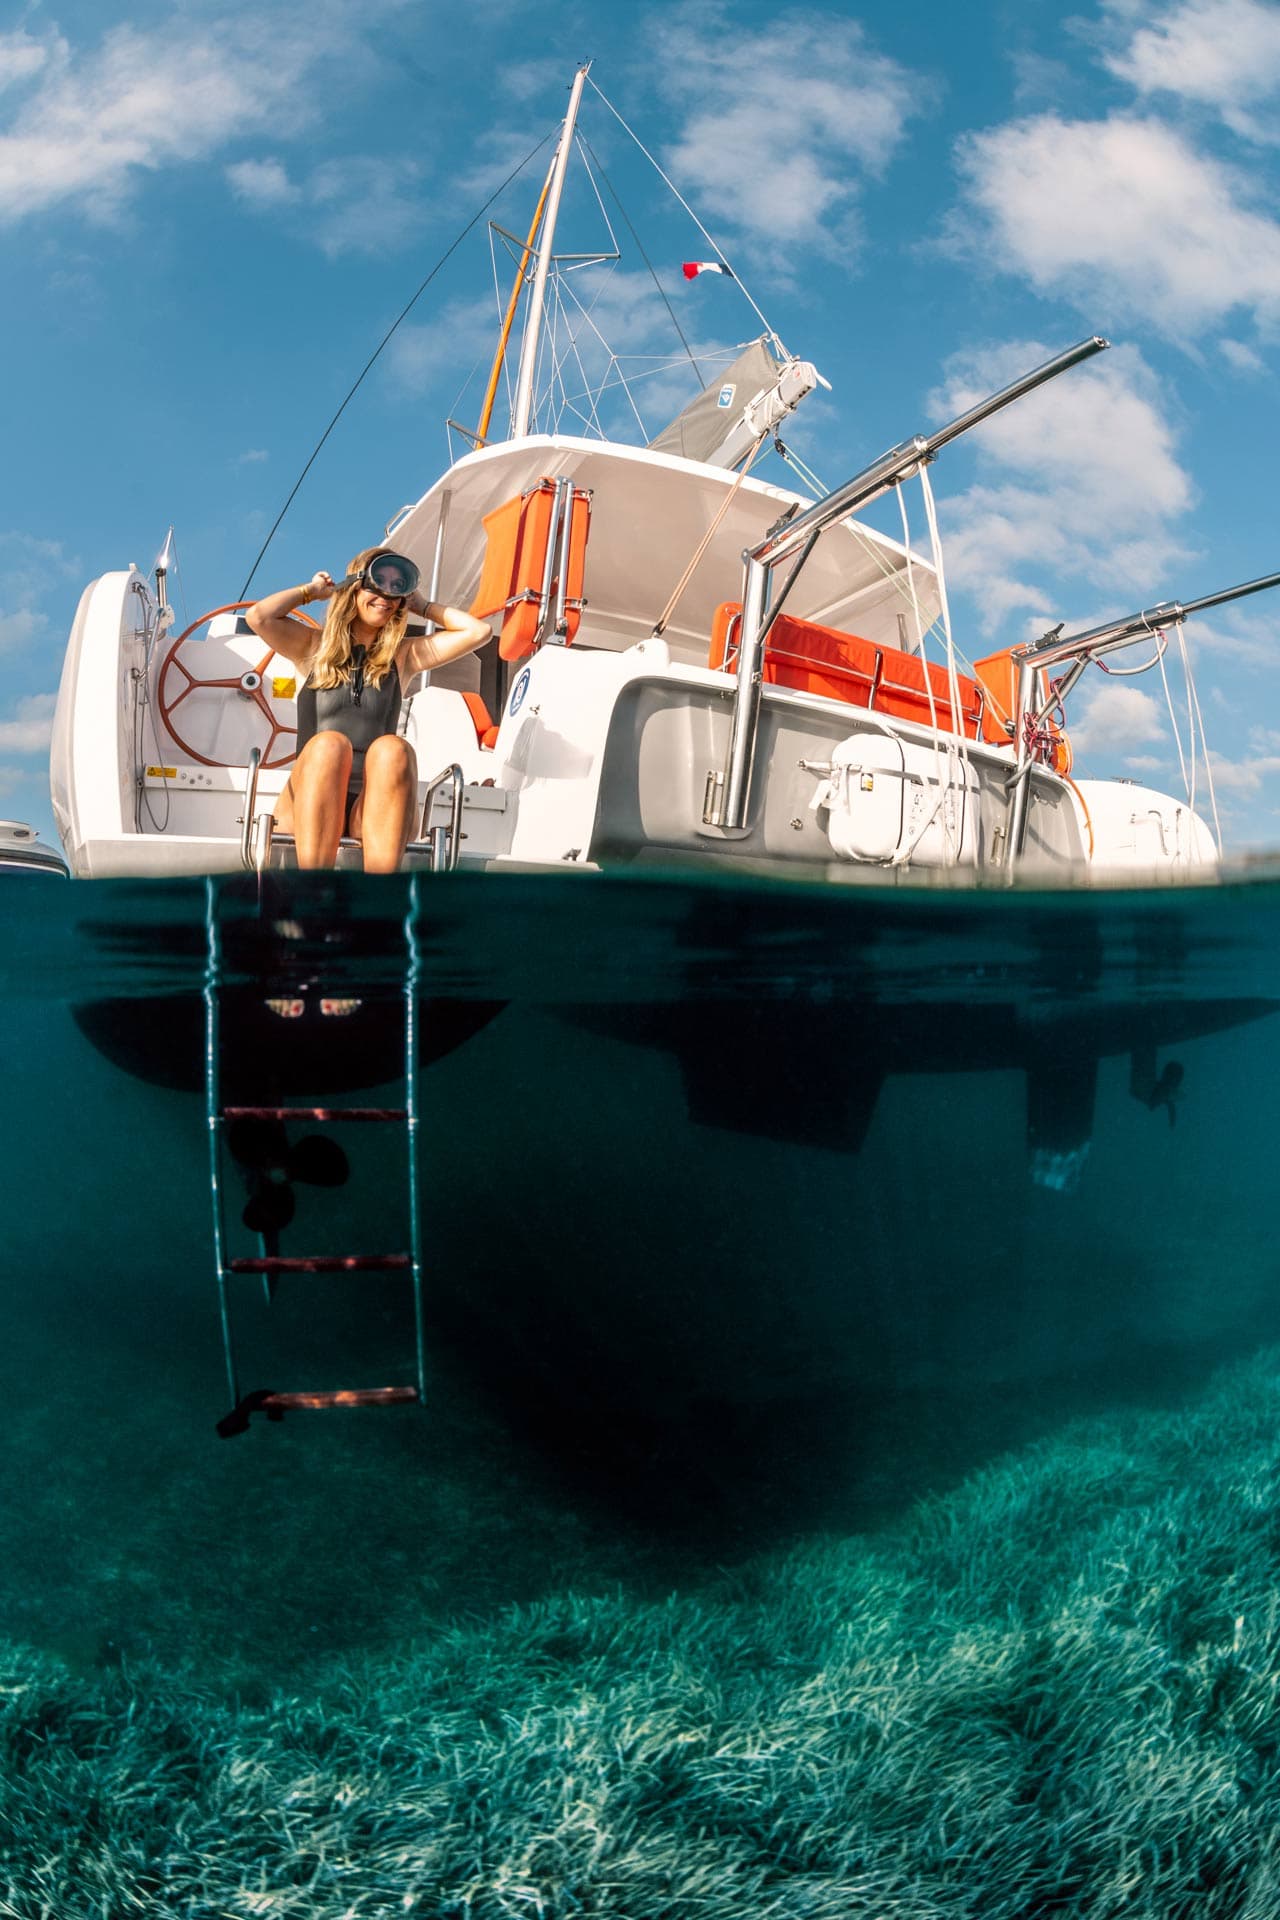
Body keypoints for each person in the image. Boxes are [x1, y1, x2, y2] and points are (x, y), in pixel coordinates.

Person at [246, 547, 491, 871]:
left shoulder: (403, 656)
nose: (386, 595)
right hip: (306, 803)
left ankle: (380, 892)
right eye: (378, 582)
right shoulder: (312, 646)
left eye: (397, 586)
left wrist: (422, 606)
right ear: (355, 586)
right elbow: (259, 617)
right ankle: (315, 889)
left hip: (375, 809)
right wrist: (311, 592)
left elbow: (479, 632)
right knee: (330, 745)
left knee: (393, 748)